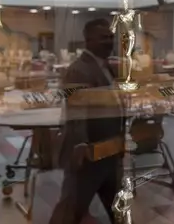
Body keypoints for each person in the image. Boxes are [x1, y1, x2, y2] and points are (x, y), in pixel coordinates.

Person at [49, 19, 125, 224]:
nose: (109, 42)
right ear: (88, 40)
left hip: (108, 150)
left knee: (120, 210)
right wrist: (81, 147)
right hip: (88, 155)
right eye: (103, 38)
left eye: (111, 37)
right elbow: (77, 113)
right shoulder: (78, 70)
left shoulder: (107, 67)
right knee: (69, 211)